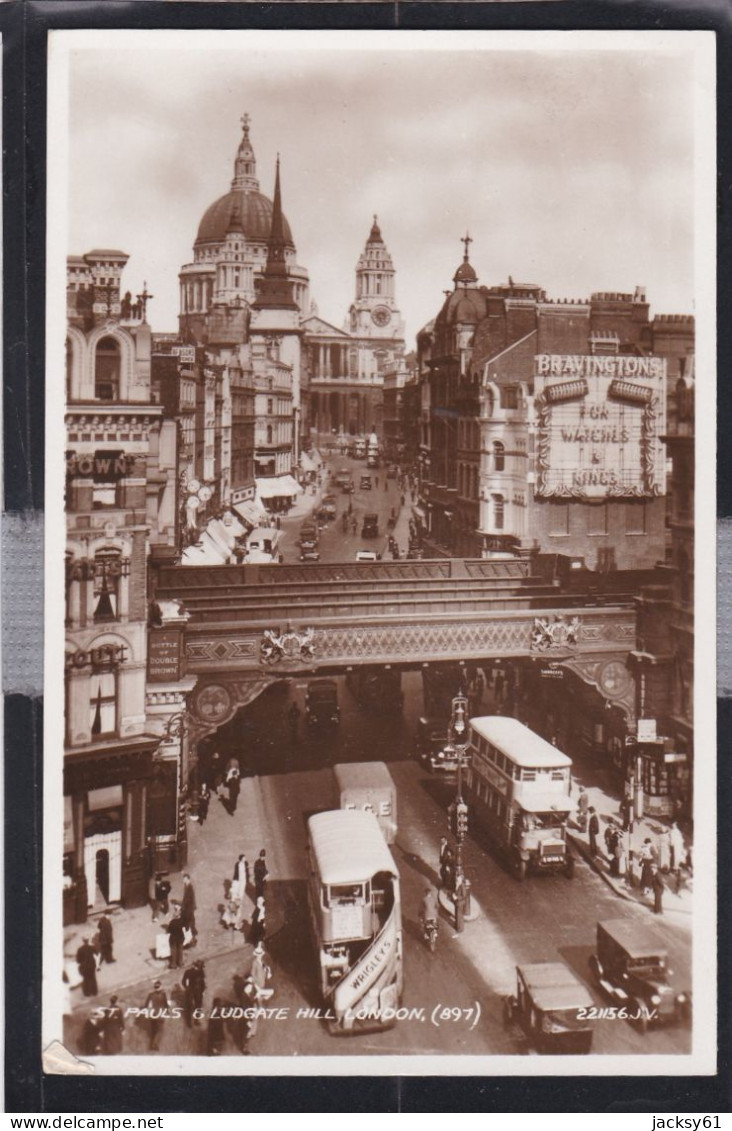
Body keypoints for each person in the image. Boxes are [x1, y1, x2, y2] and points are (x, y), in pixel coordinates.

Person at [144, 980, 169, 1052]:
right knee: (160, 1030)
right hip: (160, 1014)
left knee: (153, 1030)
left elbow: (146, 1005)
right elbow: (165, 1004)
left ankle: (152, 1042)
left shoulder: (150, 995)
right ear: (160, 987)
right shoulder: (163, 994)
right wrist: (167, 1011)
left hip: (152, 1014)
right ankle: (154, 1044)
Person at [182, 960, 206, 1028]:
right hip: (192, 992)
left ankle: (195, 1020)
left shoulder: (200, 972)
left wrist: (202, 990)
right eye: (200, 967)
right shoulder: (189, 972)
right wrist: (187, 988)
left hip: (197, 992)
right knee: (191, 1006)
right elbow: (184, 982)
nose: (201, 968)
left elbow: (202, 982)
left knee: (197, 1006)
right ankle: (190, 1022)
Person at [181, 873, 197, 938]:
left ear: (188, 879)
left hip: (189, 906)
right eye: (183, 879)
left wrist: (183, 905)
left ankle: (191, 931)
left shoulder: (190, 887)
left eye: (184, 879)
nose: (183, 880)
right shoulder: (186, 885)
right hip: (188, 905)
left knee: (189, 918)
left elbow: (189, 898)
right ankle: (193, 931)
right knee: (191, 918)